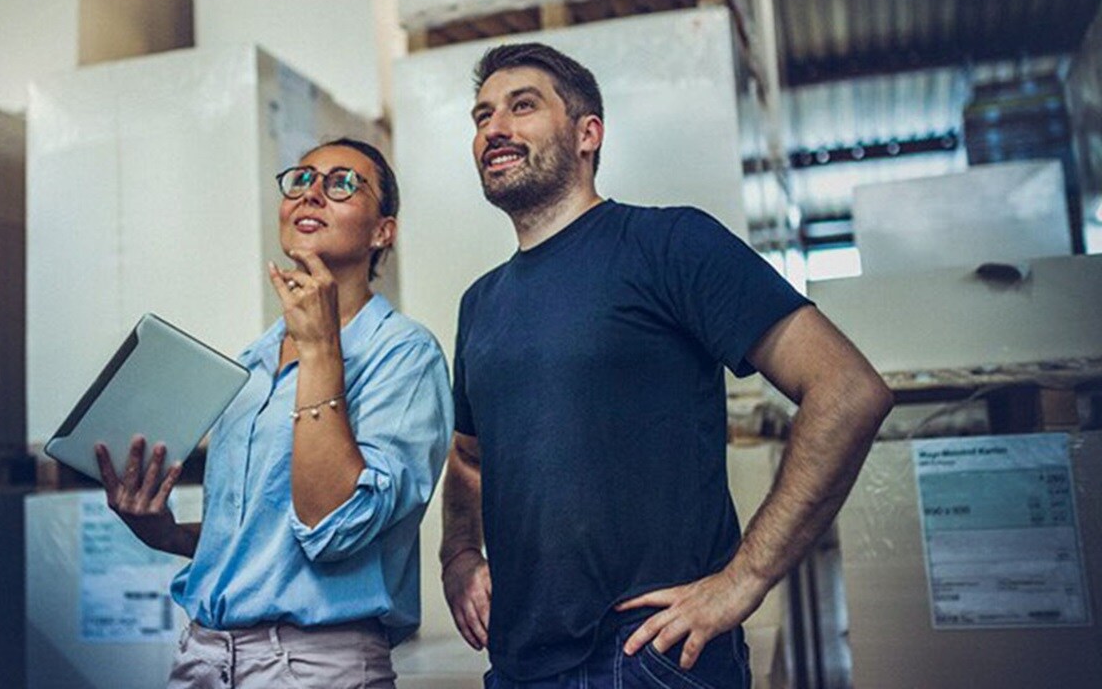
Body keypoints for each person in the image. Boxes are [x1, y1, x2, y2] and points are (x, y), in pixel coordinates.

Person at [440, 43, 893, 688]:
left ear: (587, 133)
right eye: (482, 116)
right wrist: (458, 554)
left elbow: (847, 389)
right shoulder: (481, 302)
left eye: (522, 107)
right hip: (521, 663)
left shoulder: (670, 244)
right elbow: (469, 457)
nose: (494, 129)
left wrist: (745, 580)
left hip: (652, 656)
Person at [95, 137, 452, 689]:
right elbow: (263, 538)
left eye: (341, 184)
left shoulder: (404, 355)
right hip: (203, 655)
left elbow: (331, 527)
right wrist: (166, 534)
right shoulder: (250, 364)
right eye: (302, 180)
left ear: (384, 231)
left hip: (312, 667)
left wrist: (320, 351)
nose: (312, 194)